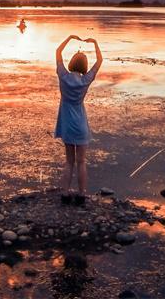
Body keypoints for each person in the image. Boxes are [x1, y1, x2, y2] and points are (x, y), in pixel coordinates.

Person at [54, 34, 103, 206]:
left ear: (71, 63)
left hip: (67, 125)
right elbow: (99, 61)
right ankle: (82, 194)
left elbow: (58, 51)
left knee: (69, 161)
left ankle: (65, 193)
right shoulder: (85, 80)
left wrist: (69, 38)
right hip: (81, 125)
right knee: (81, 161)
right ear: (84, 66)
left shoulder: (63, 75)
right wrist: (95, 42)